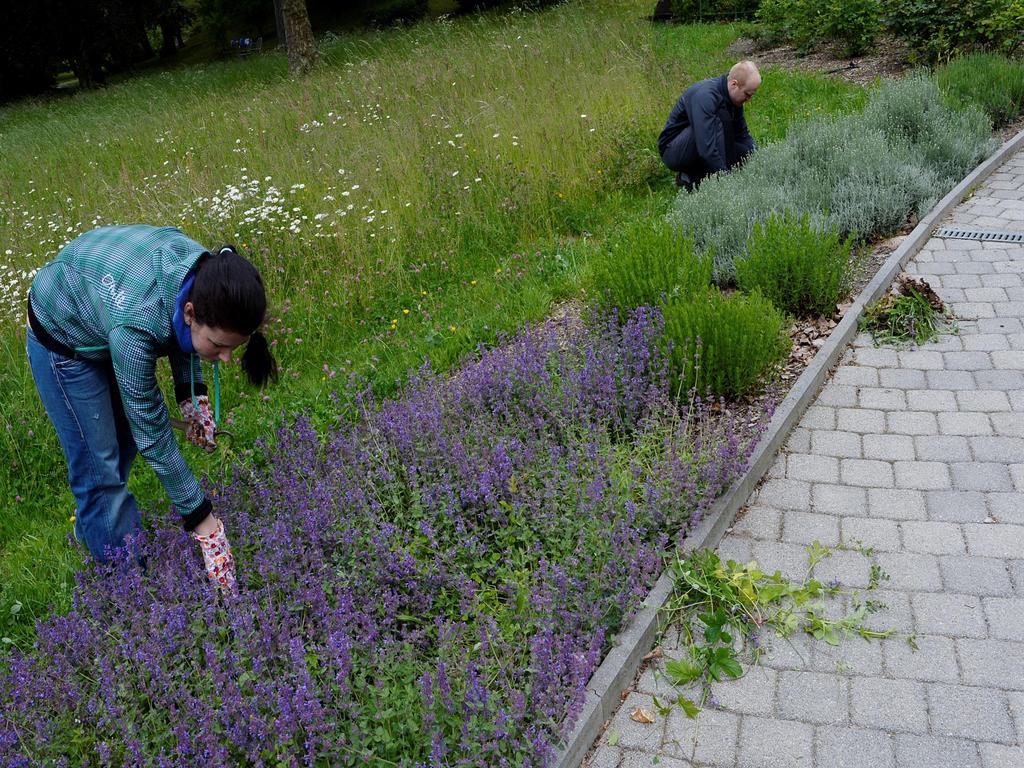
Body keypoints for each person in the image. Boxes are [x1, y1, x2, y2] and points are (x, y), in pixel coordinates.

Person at [25, 225, 277, 589]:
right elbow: (154, 436)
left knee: (120, 450)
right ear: (192, 313)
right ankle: (129, 589)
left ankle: (96, 531)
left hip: (104, 309)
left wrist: (192, 396)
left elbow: (179, 333)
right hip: (62, 334)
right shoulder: (137, 324)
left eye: (233, 347)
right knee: (101, 471)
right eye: (220, 345)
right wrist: (202, 518)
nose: (224, 358)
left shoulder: (202, 270)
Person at [658, 60, 761, 192]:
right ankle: (691, 177)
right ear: (734, 84)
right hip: (674, 151)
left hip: (703, 142)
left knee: (745, 151)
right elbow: (706, 147)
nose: (749, 99)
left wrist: (759, 157)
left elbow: (743, 135)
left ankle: (702, 175)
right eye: (747, 95)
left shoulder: (734, 100)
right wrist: (726, 180)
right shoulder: (705, 96)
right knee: (717, 121)